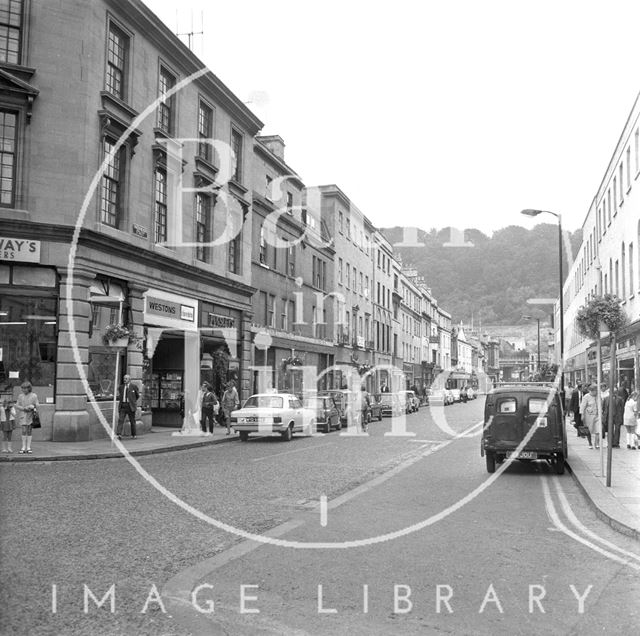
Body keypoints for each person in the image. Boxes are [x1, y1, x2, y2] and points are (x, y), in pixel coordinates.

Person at [15, 381, 39, 454]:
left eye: (25, 388)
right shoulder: (20, 396)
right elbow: (16, 405)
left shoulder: (34, 395)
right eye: (22, 388)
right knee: (23, 430)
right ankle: (23, 447)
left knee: (29, 431)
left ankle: (28, 447)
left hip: (30, 415)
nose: (23, 390)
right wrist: (23, 408)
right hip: (23, 415)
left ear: (29, 388)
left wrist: (32, 406)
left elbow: (37, 405)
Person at [116, 374, 140, 440]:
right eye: (124, 378)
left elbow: (137, 396)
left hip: (130, 406)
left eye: (126, 379)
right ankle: (119, 434)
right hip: (123, 405)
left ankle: (134, 434)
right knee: (120, 420)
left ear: (129, 380)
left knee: (132, 421)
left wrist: (133, 402)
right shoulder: (121, 387)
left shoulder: (134, 387)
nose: (124, 380)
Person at [579, 384, 600, 449]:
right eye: (594, 391)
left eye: (596, 391)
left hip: (597, 415)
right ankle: (590, 443)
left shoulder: (598, 396)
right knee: (589, 430)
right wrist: (582, 414)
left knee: (598, 430)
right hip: (589, 416)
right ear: (591, 391)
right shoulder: (586, 397)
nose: (596, 392)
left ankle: (596, 443)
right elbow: (583, 406)